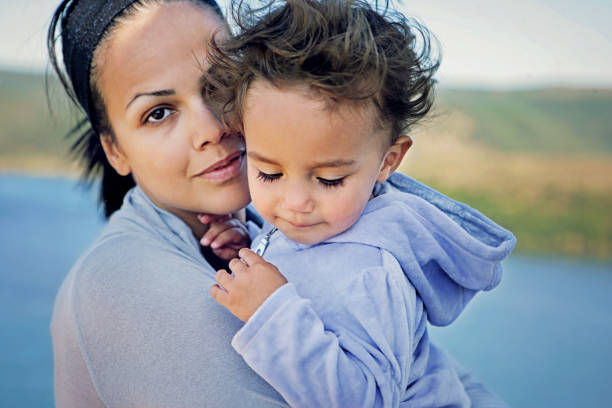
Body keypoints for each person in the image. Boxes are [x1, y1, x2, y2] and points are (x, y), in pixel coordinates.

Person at [48, 0, 512, 406]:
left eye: (218, 85)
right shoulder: (124, 286)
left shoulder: (293, 229)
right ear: (115, 150)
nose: (213, 126)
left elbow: (426, 372)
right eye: (159, 112)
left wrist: (250, 249)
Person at [205, 0, 517, 407]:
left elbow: (366, 399)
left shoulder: (372, 272)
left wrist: (271, 312)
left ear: (388, 161)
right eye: (269, 173)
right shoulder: (324, 223)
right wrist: (252, 247)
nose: (295, 203)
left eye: (329, 179)